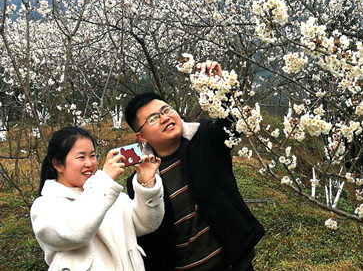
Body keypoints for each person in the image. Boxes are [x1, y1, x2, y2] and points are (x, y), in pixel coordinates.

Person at [124, 60, 265, 271]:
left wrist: (220, 88)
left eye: (166, 109)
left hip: (234, 262)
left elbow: (233, 127)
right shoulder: (142, 179)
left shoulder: (205, 136)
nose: (165, 118)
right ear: (141, 136)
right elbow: (150, 235)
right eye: (153, 118)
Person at [31, 126, 164, 270]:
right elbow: (76, 232)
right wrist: (105, 181)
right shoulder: (45, 206)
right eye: (81, 157)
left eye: (92, 155)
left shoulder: (111, 195)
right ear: (58, 164)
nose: (90, 163)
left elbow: (146, 224)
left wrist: (147, 185)